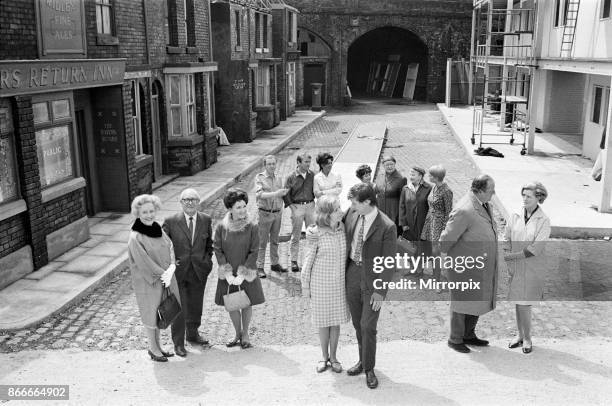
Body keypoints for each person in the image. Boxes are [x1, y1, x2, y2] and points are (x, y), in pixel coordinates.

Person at [343, 183, 396, 389]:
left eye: (355, 203)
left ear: (367, 202)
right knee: (357, 324)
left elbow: (388, 262)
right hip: (352, 275)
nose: (352, 206)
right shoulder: (352, 213)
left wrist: (380, 292)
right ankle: (362, 360)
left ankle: (369, 369)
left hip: (373, 281)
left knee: (368, 326)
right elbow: (333, 221)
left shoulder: (387, 226)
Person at [439, 174, 499, 354]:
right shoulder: (464, 209)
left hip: (480, 265)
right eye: (491, 190)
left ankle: (468, 334)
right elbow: (445, 240)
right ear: (479, 191)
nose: (494, 193)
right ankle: (455, 339)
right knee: (462, 302)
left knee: (477, 299)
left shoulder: (483, 204)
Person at [127, 194, 179, 362]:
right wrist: (163, 273)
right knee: (150, 313)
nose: (149, 215)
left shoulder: (157, 228)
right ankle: (153, 348)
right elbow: (143, 262)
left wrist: (172, 266)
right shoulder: (136, 237)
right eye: (145, 212)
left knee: (159, 313)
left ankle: (158, 347)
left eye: (151, 211)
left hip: (164, 279)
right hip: (148, 282)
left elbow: (170, 246)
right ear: (138, 214)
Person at [301, 195, 350, 374]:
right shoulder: (315, 233)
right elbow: (308, 259)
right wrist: (305, 285)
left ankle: (334, 357)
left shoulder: (344, 229)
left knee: (335, 321)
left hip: (338, 284)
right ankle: (324, 356)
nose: (341, 212)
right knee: (323, 322)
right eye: (336, 209)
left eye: (339, 208)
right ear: (327, 214)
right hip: (320, 283)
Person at [162, 188, 213, 357]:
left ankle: (193, 334)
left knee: (195, 304)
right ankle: (178, 343)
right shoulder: (170, 221)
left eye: (193, 199)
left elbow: (209, 245)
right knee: (180, 308)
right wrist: (169, 264)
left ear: (198, 202)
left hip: (198, 270)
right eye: (186, 200)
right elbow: (162, 246)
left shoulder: (206, 220)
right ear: (181, 203)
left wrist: (207, 262)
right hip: (178, 272)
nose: (190, 202)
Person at [214, 188, 265, 349]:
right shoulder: (221, 227)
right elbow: (217, 249)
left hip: (246, 270)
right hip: (229, 272)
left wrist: (243, 273)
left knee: (246, 303)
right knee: (232, 303)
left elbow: (254, 250)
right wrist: (227, 272)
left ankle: (246, 334)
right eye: (238, 207)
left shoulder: (252, 226)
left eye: (244, 206)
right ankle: (237, 333)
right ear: (230, 209)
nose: (242, 210)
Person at [504, 182, 551, 354]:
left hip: (532, 266)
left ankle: (528, 337)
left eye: (528, 196)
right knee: (518, 301)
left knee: (524, 303)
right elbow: (506, 236)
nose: (524, 199)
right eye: (523, 195)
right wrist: (507, 256)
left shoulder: (543, 220)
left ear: (539, 197)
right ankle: (519, 335)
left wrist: (512, 257)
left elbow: (535, 249)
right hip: (515, 265)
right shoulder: (515, 214)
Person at [255, 155, 289, 278]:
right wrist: (276, 193)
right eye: (269, 164)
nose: (272, 166)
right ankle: (259, 266)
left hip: (277, 213)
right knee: (262, 242)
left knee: (275, 240)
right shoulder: (260, 178)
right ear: (265, 165)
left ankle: (274, 263)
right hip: (264, 213)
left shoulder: (279, 177)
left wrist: (285, 194)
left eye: (273, 163)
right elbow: (259, 194)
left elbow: (281, 194)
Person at [284, 153, 316, 273]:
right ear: (298, 163)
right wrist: (292, 208)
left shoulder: (312, 175)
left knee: (312, 235)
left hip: (310, 206)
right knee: (296, 236)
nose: (308, 164)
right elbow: (286, 194)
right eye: (306, 162)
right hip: (297, 207)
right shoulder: (290, 177)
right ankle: (293, 261)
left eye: (309, 162)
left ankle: (311, 260)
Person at [421, 165, 453, 281]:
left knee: (436, 253)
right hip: (430, 220)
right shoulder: (434, 187)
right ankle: (433, 274)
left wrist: (444, 230)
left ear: (436, 177)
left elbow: (449, 212)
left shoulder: (446, 191)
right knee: (430, 250)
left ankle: (437, 278)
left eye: (430, 175)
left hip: (438, 224)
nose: (428, 176)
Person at [398, 166, 431, 275]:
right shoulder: (406, 188)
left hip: (422, 225)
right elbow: (401, 206)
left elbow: (431, 208)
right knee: (409, 247)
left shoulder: (429, 188)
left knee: (421, 247)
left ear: (420, 176)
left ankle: (420, 269)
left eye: (413, 174)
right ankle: (412, 268)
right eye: (410, 174)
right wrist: (403, 223)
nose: (410, 176)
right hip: (409, 225)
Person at [375, 156, 407, 236]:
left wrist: (402, 217)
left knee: (392, 235)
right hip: (381, 212)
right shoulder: (379, 176)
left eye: (391, 164)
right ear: (383, 166)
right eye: (387, 165)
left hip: (393, 213)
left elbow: (403, 199)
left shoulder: (401, 179)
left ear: (395, 164)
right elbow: (376, 191)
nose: (389, 167)